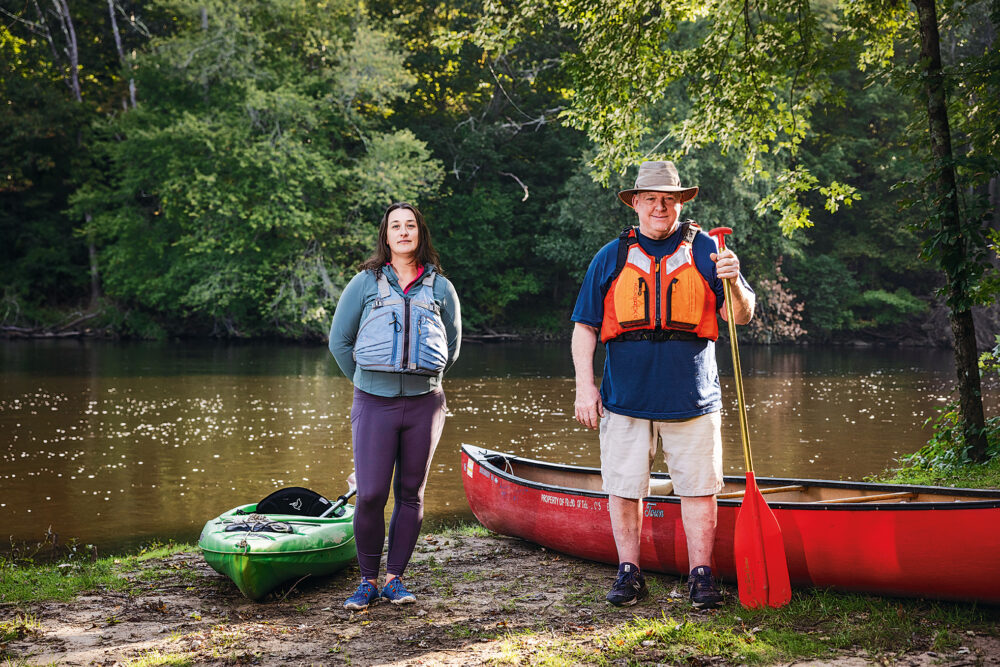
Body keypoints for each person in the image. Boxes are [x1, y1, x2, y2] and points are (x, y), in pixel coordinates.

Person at [571, 161, 754, 609]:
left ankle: (701, 575)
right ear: (635, 203)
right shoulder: (610, 256)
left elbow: (742, 315)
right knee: (624, 488)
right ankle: (629, 572)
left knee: (699, 489)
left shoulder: (710, 249)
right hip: (625, 399)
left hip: (693, 399)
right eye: (650, 198)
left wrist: (733, 282)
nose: (659, 206)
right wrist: (584, 387)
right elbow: (584, 328)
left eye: (668, 199)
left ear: (680, 203)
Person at [329, 202, 461, 610]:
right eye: (395, 227)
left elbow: (452, 346)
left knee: (410, 493)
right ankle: (366, 581)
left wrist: (425, 379)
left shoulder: (441, 287)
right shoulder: (365, 283)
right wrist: (369, 383)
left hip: (425, 403)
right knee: (369, 493)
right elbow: (340, 342)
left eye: (410, 226)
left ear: (420, 233)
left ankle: (394, 579)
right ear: (385, 236)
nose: (403, 233)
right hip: (374, 402)